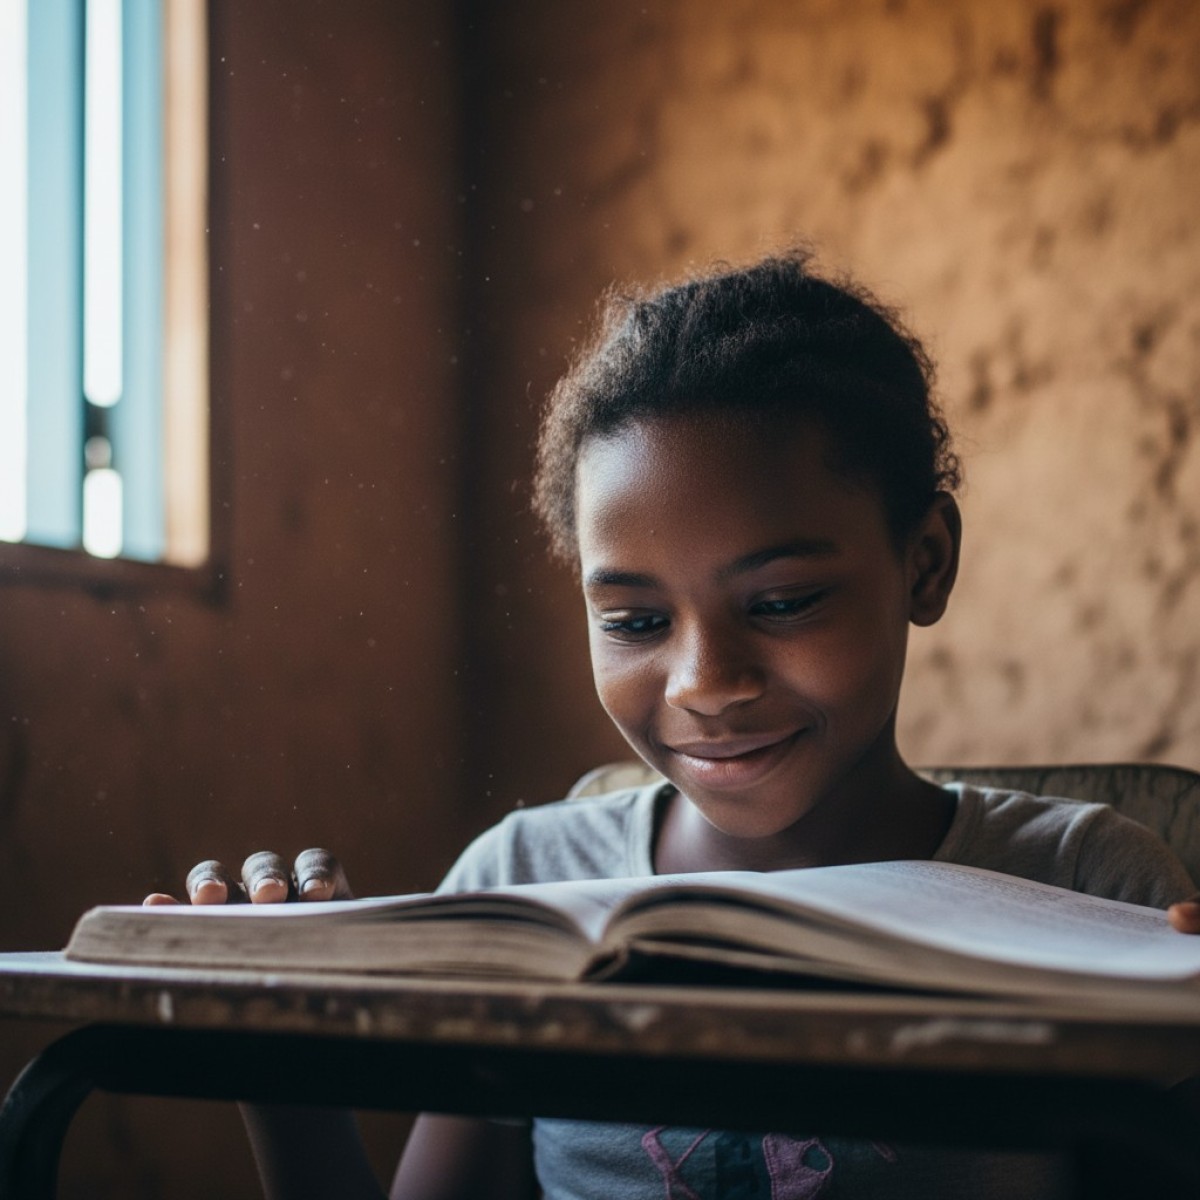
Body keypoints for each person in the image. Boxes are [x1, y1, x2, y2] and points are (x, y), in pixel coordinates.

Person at [147, 249, 1200, 1199]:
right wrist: (270, 1051)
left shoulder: (1092, 892)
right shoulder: (521, 889)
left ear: (924, 563)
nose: (706, 681)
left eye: (783, 603)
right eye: (637, 620)